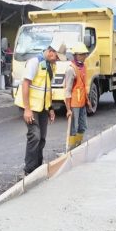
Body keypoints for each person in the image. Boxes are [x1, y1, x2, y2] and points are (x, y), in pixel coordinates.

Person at [15, 43, 65, 174]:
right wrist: (27, 109)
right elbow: (26, 84)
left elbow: (47, 88)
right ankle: (29, 170)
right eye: (57, 57)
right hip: (30, 107)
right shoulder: (34, 62)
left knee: (42, 138)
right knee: (35, 136)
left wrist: (51, 108)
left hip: (43, 107)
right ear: (51, 52)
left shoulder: (50, 65)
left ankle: (37, 167)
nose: (57, 60)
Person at [64, 43, 92, 149]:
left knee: (82, 125)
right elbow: (67, 90)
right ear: (77, 55)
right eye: (83, 54)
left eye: (85, 54)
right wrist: (68, 109)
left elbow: (83, 86)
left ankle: (78, 146)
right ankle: (70, 149)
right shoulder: (71, 69)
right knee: (73, 127)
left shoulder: (83, 67)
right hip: (74, 103)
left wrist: (87, 100)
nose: (85, 56)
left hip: (82, 102)